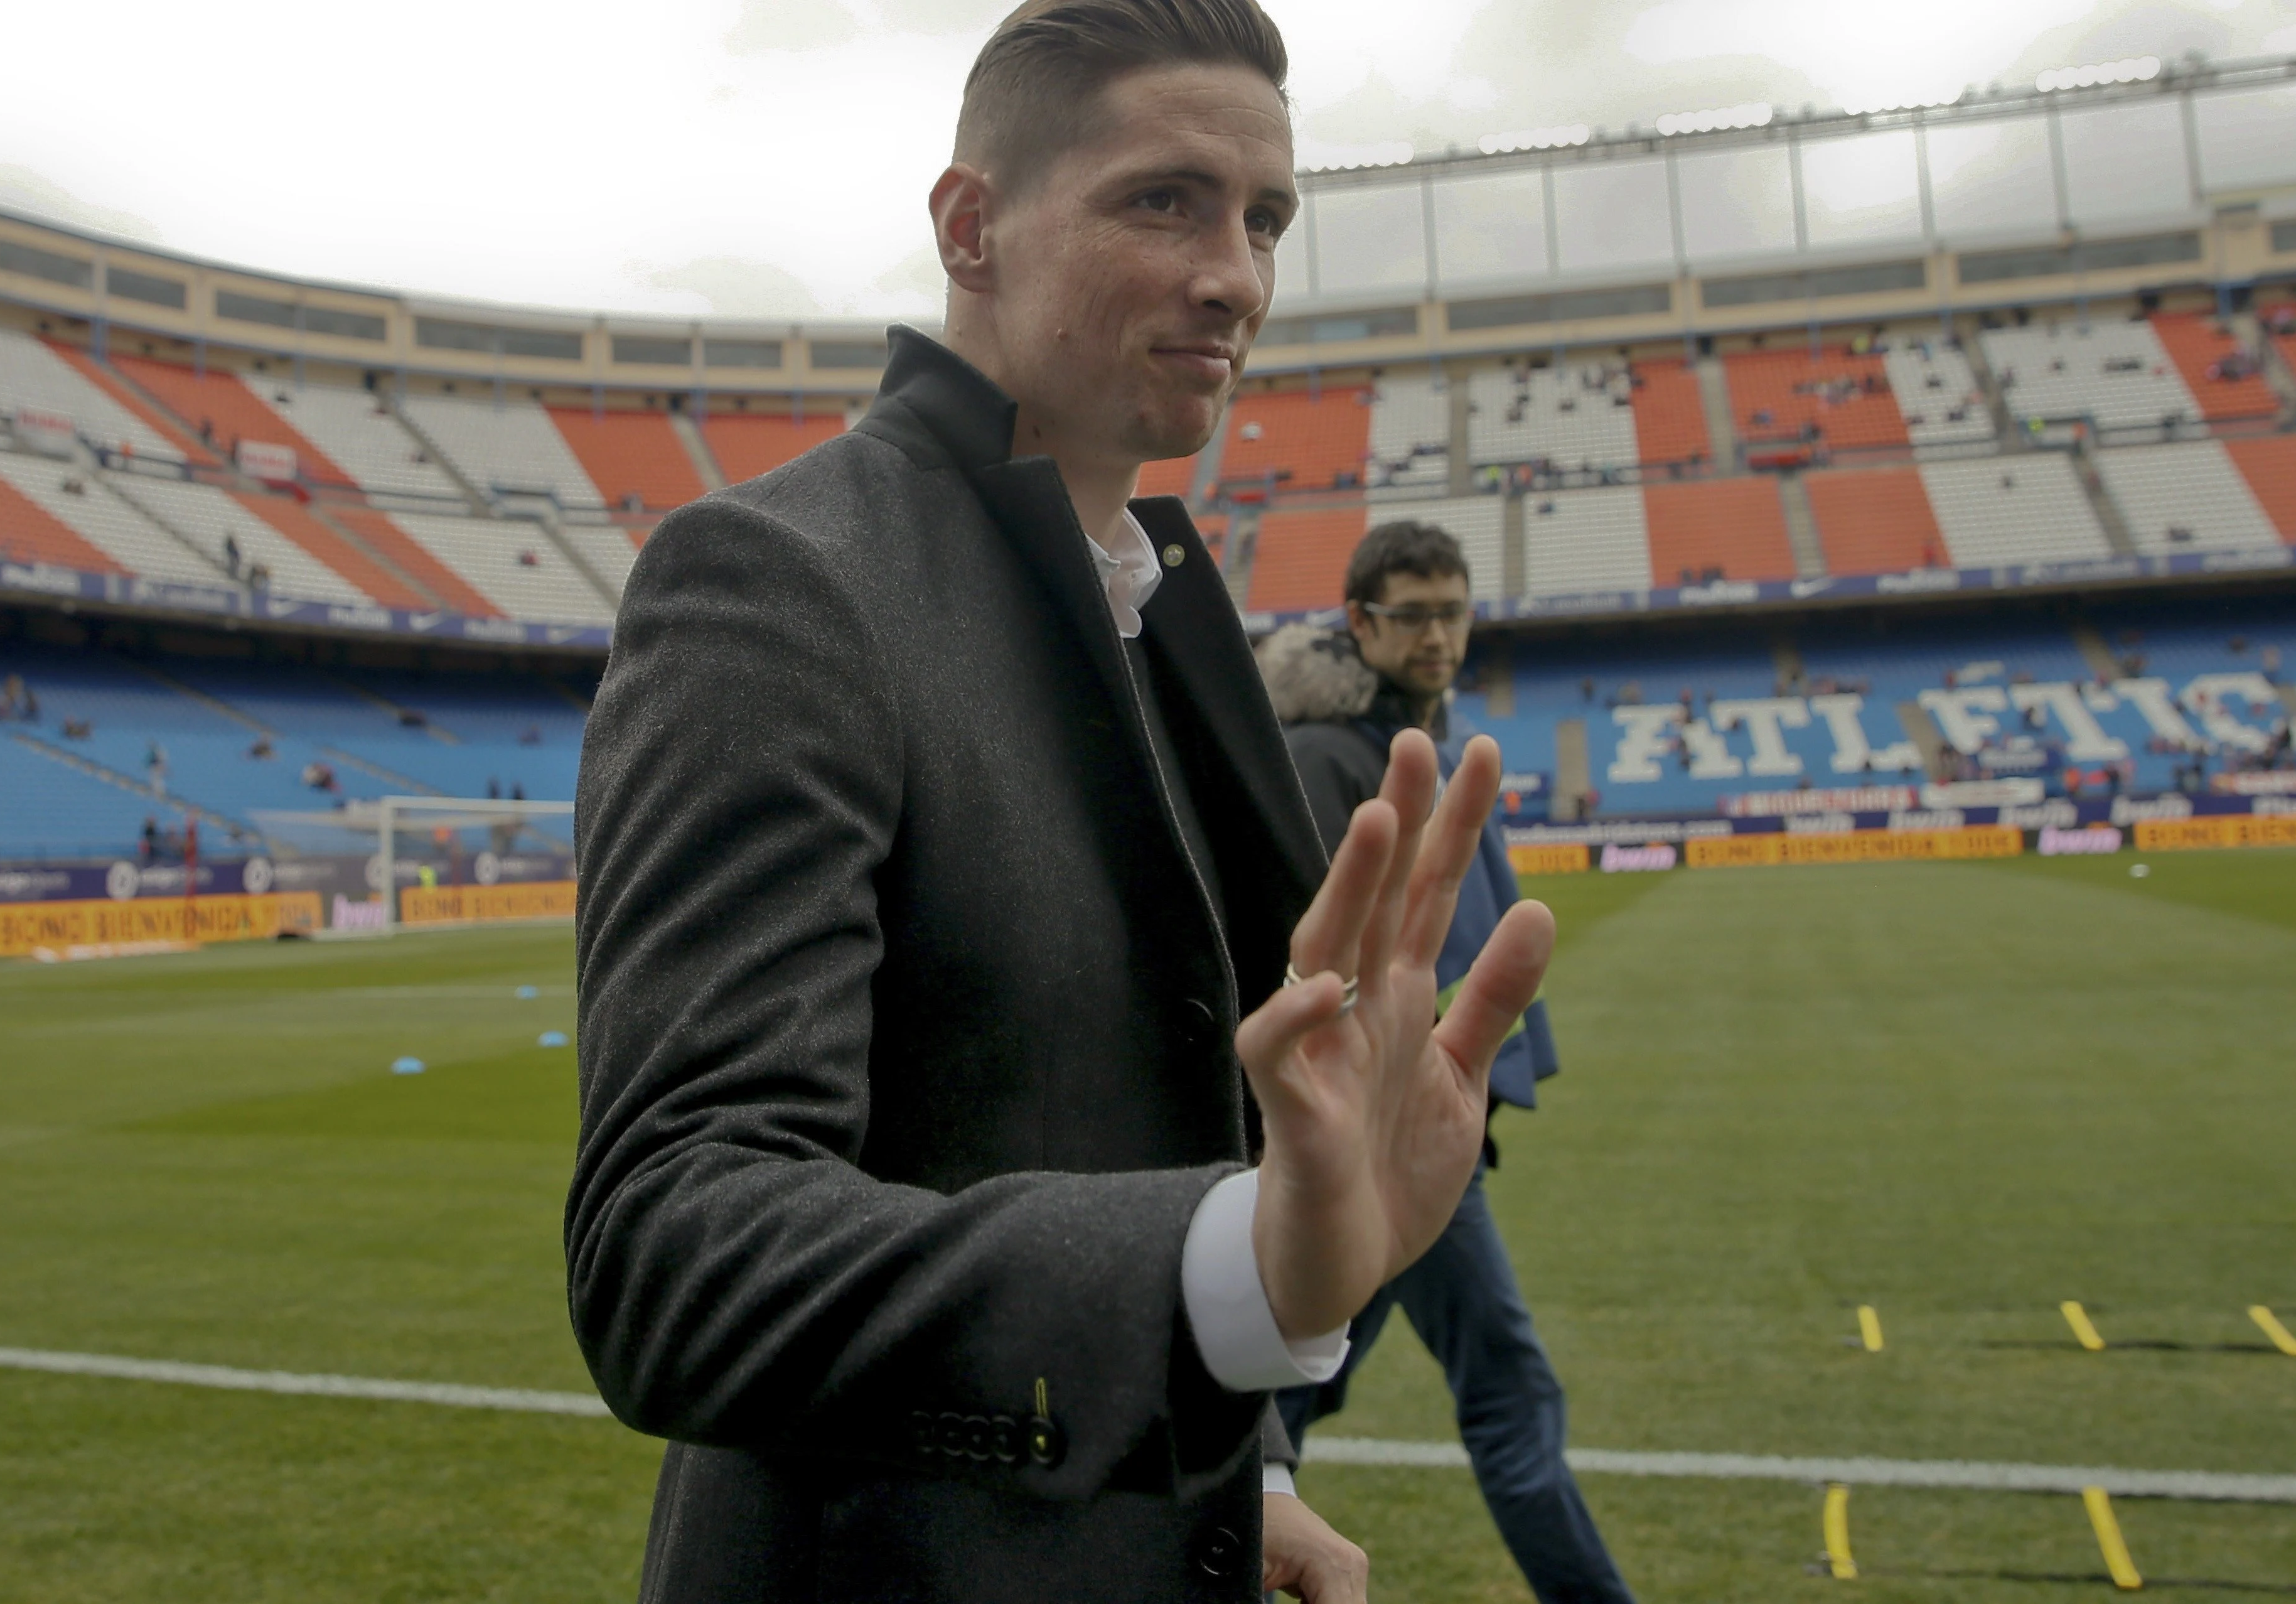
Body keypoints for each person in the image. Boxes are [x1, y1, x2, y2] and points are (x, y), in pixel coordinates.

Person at [565, 4, 1556, 1600]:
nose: (1234, 274)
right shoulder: (776, 581)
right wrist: (1227, 1273)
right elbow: (672, 1248)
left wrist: (1254, 1467)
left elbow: (1132, 1118)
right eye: (1161, 200)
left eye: (1266, 218)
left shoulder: (1170, 608)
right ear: (971, 227)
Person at [1259, 523, 1634, 1604]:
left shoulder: (1419, 738)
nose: (1438, 634)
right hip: (1383, 1136)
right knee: (1509, 1395)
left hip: (1414, 1131)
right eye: (1414, 612)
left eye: (1453, 610)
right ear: (1358, 623)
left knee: (1282, 1398)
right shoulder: (1330, 760)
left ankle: (1195, 1534)